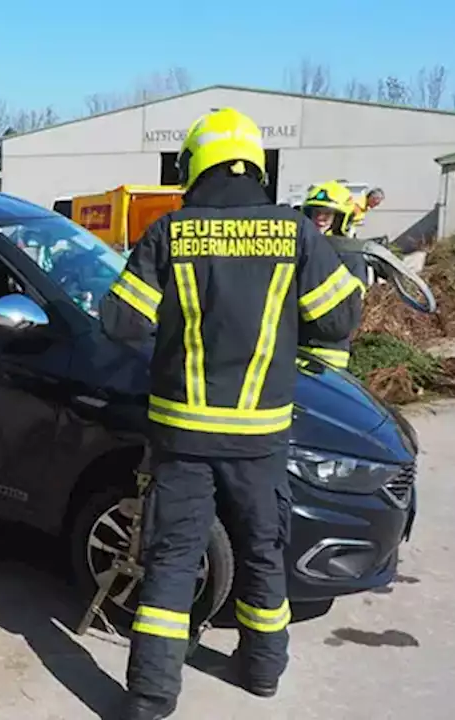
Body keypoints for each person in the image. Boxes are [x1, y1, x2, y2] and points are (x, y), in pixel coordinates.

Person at [99, 107, 363, 720]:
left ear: (196, 164)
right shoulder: (296, 232)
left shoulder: (171, 232)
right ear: (254, 163)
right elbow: (341, 320)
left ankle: (149, 698)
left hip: (183, 437)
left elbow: (119, 323)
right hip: (261, 440)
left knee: (171, 562)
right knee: (263, 553)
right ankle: (262, 672)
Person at [298, 181, 368, 369]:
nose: (320, 218)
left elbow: (349, 308)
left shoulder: (351, 255)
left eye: (327, 214)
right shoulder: (301, 251)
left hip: (328, 353)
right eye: (316, 212)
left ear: (340, 218)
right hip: (295, 347)